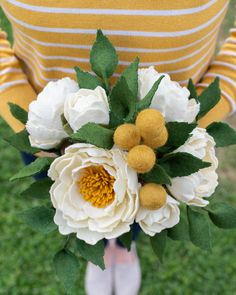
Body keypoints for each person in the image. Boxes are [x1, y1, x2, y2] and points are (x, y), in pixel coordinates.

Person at [0, 1, 235, 294]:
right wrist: (22, 106)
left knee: (145, 210)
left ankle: (124, 247)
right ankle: (103, 243)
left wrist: (198, 118)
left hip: (166, 152)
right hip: (52, 144)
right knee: (83, 208)